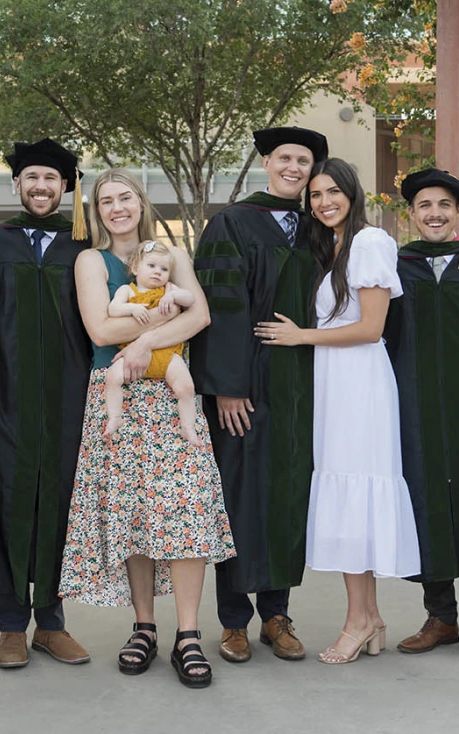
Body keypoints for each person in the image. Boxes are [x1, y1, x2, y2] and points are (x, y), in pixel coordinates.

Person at [58, 168, 236, 689]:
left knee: (185, 506)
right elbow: (100, 328)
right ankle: (144, 627)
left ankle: (188, 635)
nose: (117, 207)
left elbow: (200, 316)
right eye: (106, 200)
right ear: (97, 211)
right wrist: (145, 334)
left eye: (126, 197)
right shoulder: (91, 260)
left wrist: (139, 342)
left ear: (141, 202)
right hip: (116, 396)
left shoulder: (173, 253)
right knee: (134, 511)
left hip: (170, 394)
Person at [255, 158, 421, 664]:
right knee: (349, 493)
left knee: (355, 494)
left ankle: (358, 621)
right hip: (335, 381)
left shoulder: (369, 243)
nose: (324, 202)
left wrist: (301, 335)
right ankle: (368, 617)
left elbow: (372, 328)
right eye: (316, 194)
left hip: (360, 383)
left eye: (333, 192)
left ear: (352, 193)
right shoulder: (335, 248)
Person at [190, 126, 328, 664]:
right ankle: (232, 622)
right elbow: (218, 310)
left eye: (304, 161)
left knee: (288, 497)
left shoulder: (320, 225)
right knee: (238, 498)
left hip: (302, 385)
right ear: (267, 162)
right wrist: (226, 388)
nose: (294, 168)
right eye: (285, 158)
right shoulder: (232, 223)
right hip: (246, 387)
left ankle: (277, 614)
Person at [0, 138, 93, 670]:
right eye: (31, 177)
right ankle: (12, 625)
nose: (41, 186)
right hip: (6, 396)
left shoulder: (85, 246)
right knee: (10, 502)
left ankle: (52, 625)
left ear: (66, 187)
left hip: (71, 395)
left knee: (62, 503)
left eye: (51, 178)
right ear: (16, 184)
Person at [382, 168, 459, 661]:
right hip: (412, 405)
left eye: (444, 206)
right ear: (410, 214)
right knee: (425, 504)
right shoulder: (396, 266)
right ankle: (439, 617)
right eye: (424, 206)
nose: (434, 213)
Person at [105, 239, 200, 445]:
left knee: (186, 387)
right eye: (151, 266)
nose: (158, 272)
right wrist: (132, 308)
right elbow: (113, 309)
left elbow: (191, 299)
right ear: (135, 267)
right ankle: (115, 417)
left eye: (164, 268)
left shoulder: (169, 288)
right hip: (133, 352)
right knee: (112, 378)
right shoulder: (128, 290)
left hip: (167, 353)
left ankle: (188, 427)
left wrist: (173, 295)